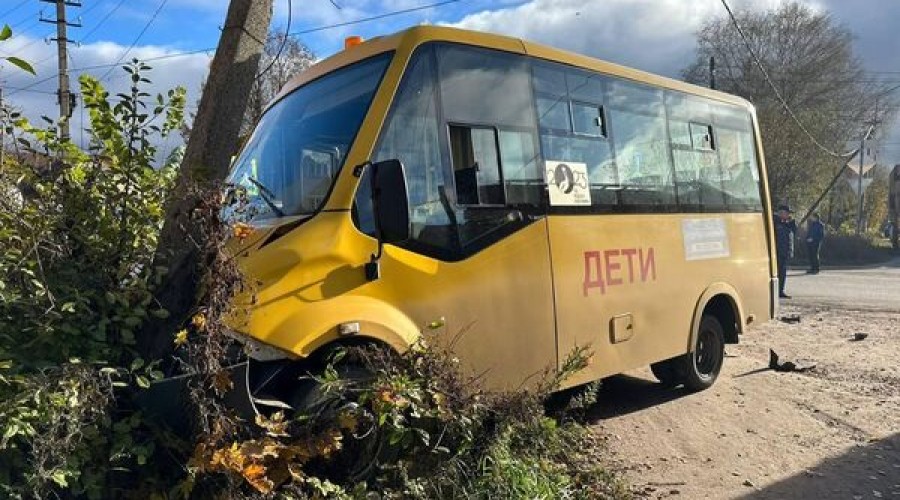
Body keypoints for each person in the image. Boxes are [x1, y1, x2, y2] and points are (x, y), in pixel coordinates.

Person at [773, 204, 798, 299]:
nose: (788, 215)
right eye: (787, 213)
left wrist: (792, 224)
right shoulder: (775, 222)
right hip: (777, 252)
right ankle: (775, 291)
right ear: (782, 213)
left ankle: (780, 291)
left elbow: (793, 234)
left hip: (785, 252)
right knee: (777, 273)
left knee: (782, 273)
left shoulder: (788, 224)